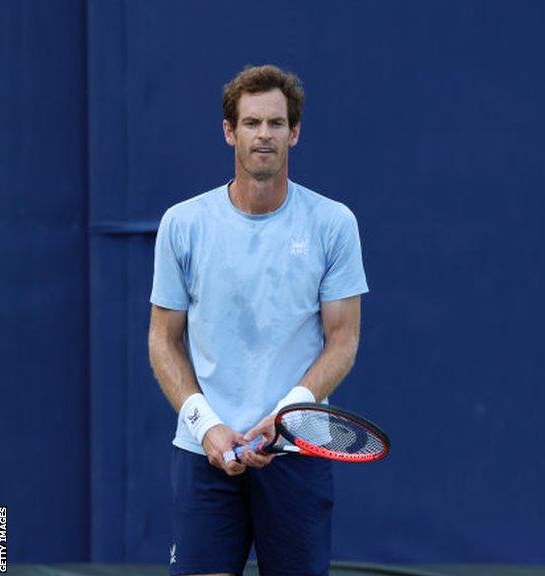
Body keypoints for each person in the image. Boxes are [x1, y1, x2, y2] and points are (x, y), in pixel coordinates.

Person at [148, 65, 368, 576]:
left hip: (297, 451)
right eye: (251, 123)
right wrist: (207, 427)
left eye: (275, 123)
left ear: (294, 132)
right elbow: (163, 339)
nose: (263, 135)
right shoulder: (183, 224)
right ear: (230, 132)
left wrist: (286, 414)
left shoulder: (334, 224)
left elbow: (343, 339)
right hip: (205, 454)